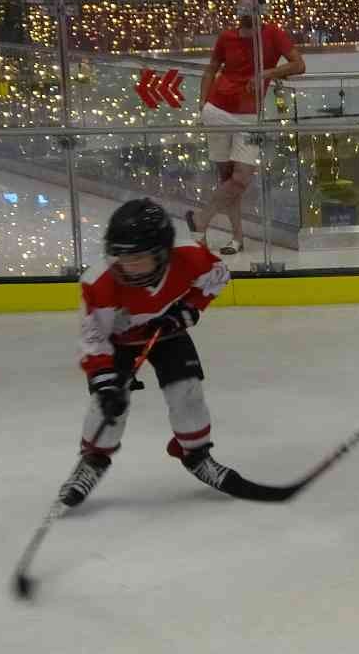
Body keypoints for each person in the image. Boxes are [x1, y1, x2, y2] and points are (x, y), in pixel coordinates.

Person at [59, 199, 244, 509]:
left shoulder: (190, 258)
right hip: (117, 341)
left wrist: (185, 312)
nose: (126, 266)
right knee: (108, 406)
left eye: (137, 258)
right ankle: (93, 461)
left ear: (161, 253)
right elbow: (94, 339)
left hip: (165, 332)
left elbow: (217, 278)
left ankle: (196, 455)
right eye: (121, 257)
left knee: (187, 391)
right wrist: (105, 383)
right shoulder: (99, 282)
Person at [188, 0, 305, 255]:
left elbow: (299, 65)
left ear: (261, 10)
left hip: (250, 115)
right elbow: (211, 68)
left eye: (252, 8)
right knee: (227, 179)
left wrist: (267, 73)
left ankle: (200, 220)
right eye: (242, 7)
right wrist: (202, 103)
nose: (246, 13)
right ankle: (237, 238)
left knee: (241, 178)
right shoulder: (226, 37)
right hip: (217, 110)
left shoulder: (273, 35)